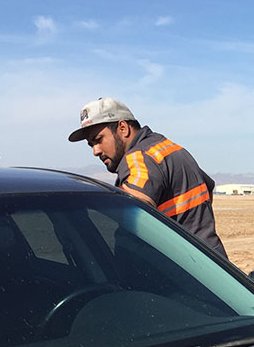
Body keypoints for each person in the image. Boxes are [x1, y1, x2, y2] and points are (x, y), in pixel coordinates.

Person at [68, 98, 227, 259]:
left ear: (123, 128)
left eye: (99, 140)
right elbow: (207, 187)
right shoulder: (169, 148)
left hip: (183, 265)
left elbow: (131, 212)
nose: (95, 151)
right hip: (214, 262)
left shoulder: (139, 158)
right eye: (91, 144)